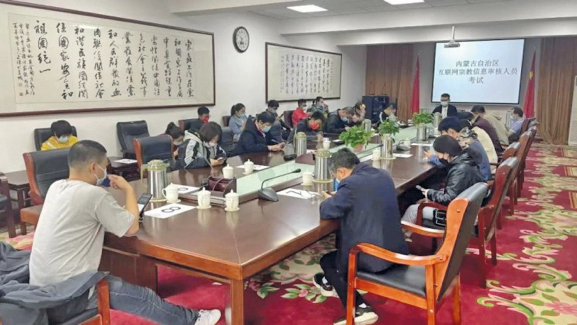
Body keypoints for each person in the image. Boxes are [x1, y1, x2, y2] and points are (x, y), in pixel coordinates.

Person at [29, 140, 221, 325]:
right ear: (94, 167)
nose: (107, 171)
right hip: (68, 294)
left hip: (39, 289)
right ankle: (192, 320)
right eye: (105, 166)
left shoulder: (56, 187)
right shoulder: (94, 195)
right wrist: (128, 189)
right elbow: (131, 228)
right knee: (142, 297)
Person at [313, 149, 408, 325]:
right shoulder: (382, 174)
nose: (337, 179)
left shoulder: (351, 185)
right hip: (396, 249)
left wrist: (328, 200)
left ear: (341, 171)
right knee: (337, 256)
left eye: (335, 176)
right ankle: (330, 283)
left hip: (373, 257)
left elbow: (327, 211)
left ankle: (360, 309)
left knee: (328, 262)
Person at [402, 135, 483, 225]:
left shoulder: (459, 170)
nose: (438, 157)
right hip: (468, 209)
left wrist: (429, 193)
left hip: (459, 216)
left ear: (446, 154)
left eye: (438, 154)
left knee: (412, 210)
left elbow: (448, 198)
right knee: (419, 202)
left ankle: (401, 237)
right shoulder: (466, 160)